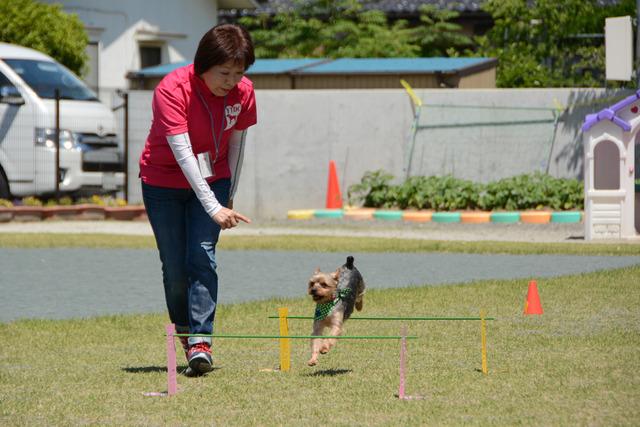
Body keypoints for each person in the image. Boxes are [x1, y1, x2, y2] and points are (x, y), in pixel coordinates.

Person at [139, 24, 257, 375]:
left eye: (239, 73)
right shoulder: (171, 90)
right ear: (202, 64)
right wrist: (213, 206)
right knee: (174, 267)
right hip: (163, 181)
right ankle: (185, 333)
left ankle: (201, 343)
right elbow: (184, 154)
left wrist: (227, 196)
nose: (231, 81)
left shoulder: (244, 93)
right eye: (224, 73)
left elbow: (237, 144)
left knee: (201, 254)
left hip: (214, 179)